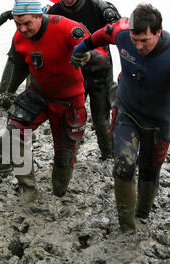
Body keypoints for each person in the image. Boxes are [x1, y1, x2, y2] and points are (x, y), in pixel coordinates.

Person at [71, 4, 170, 231]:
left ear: (158, 32)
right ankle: (126, 226)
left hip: (158, 122)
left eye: (145, 40)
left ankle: (142, 214)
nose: (139, 46)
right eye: (135, 39)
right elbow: (101, 35)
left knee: (150, 171)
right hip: (126, 112)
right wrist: (81, 48)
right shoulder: (121, 33)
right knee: (123, 166)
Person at [0, 0, 106, 202]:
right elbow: (20, 65)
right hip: (37, 94)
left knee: (63, 158)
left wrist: (88, 56)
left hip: (69, 100)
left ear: (40, 16)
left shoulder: (68, 28)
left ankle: (59, 191)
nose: (22, 29)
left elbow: (102, 56)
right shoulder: (19, 36)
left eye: (27, 24)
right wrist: (9, 91)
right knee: (14, 134)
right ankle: (28, 188)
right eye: (17, 24)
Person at [47, 0, 120, 160]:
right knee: (70, 117)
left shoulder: (99, 7)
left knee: (101, 119)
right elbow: (44, 41)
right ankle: (67, 157)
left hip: (100, 71)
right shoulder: (55, 10)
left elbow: (122, 35)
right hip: (73, 71)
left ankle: (108, 155)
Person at [0, 1, 56, 109]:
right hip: (16, 53)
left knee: (31, 92)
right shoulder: (27, 11)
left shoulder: (54, 18)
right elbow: (5, 15)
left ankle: (26, 113)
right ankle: (5, 110)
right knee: (4, 90)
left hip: (37, 58)